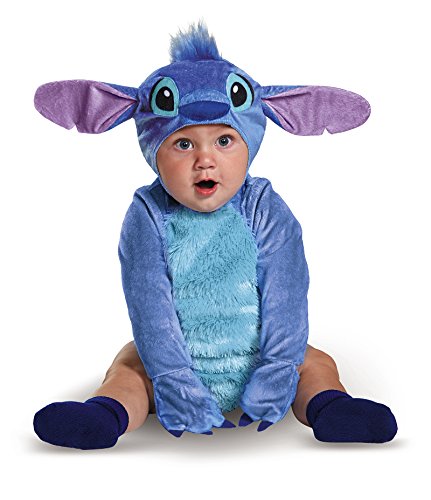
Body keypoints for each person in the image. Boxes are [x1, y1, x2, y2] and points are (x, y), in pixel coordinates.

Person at [33, 22, 398, 450]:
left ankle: (330, 407)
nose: (205, 161)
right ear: (153, 151)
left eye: (224, 140)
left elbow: (287, 292)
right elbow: (148, 304)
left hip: (258, 354)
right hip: (174, 360)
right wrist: (172, 377)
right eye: (184, 145)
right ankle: (104, 415)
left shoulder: (263, 205)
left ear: (250, 145)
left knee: (315, 362)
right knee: (128, 367)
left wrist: (279, 366)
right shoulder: (147, 214)